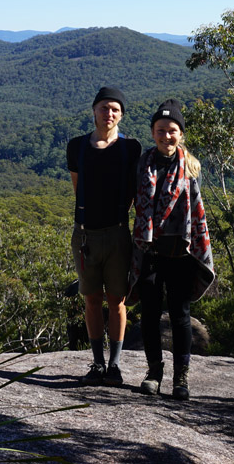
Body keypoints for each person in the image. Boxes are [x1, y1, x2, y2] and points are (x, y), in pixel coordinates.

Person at [128, 99, 215, 400]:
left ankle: (182, 378)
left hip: (180, 253)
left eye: (172, 130)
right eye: (161, 130)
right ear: (153, 132)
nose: (166, 136)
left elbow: (196, 214)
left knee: (180, 315)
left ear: (181, 134)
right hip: (150, 252)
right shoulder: (142, 163)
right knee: (150, 315)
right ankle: (154, 372)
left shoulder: (191, 167)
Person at [66, 86, 142, 386]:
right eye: (103, 108)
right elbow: (77, 188)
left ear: (121, 115)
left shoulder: (130, 148)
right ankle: (97, 363)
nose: (108, 114)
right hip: (85, 234)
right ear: (94, 111)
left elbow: (136, 193)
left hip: (119, 233)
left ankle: (115, 364)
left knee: (117, 300)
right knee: (92, 299)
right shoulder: (77, 146)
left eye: (114, 109)